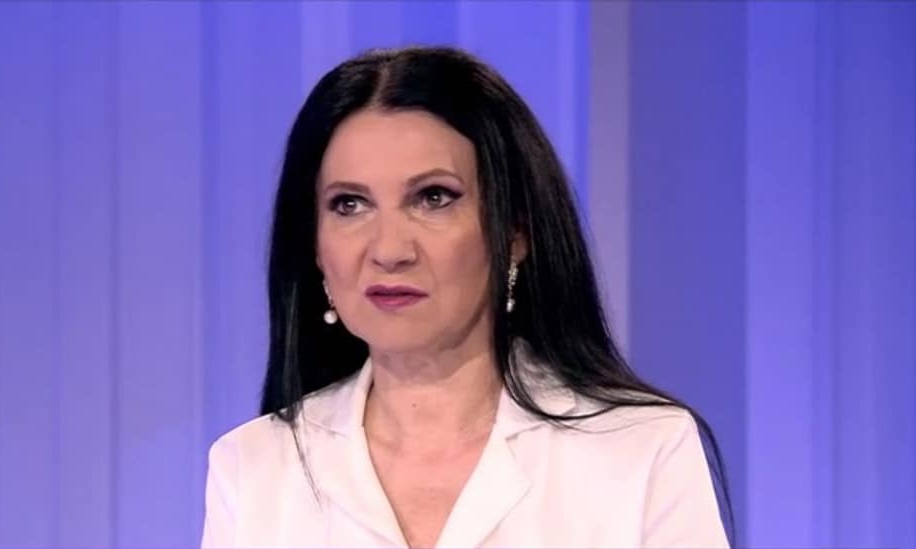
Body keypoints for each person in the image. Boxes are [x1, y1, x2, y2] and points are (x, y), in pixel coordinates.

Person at [200, 46, 731, 548]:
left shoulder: (641, 449)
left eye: (433, 198)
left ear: (515, 232)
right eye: (350, 205)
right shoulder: (254, 467)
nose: (389, 250)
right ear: (314, 246)